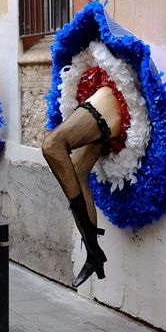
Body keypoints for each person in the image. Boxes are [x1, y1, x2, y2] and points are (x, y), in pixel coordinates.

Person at [42, 86, 120, 287]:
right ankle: (93, 253)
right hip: (101, 90)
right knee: (76, 172)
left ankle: (94, 249)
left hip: (114, 90)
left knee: (51, 145)